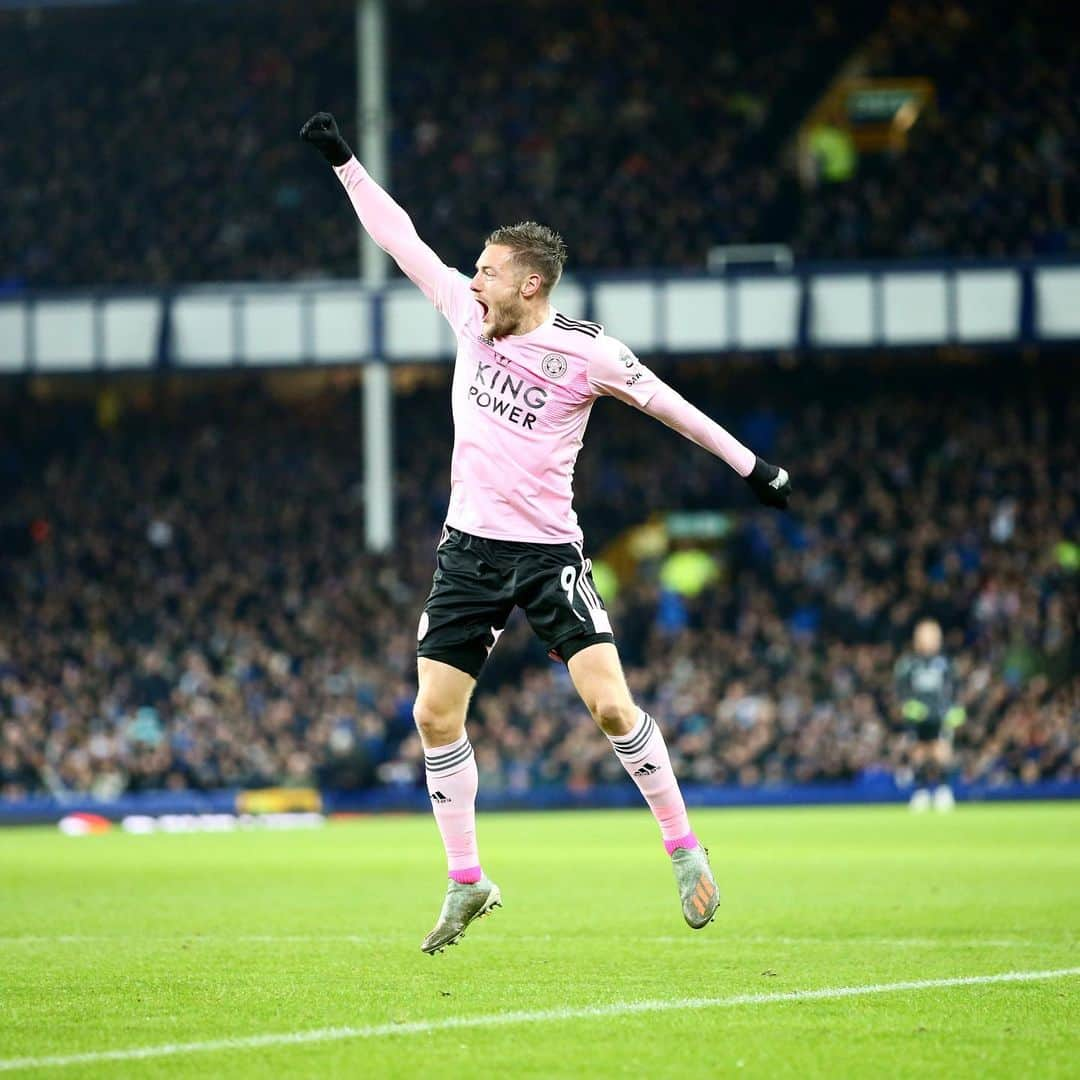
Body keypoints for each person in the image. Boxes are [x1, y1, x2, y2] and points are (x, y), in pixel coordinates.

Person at [301, 112, 793, 954]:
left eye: (488, 271)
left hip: (547, 553)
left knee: (609, 705)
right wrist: (345, 162)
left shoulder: (588, 354)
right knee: (432, 716)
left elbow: (673, 408)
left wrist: (753, 468)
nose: (473, 278)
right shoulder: (466, 313)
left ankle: (681, 848)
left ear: (530, 284)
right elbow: (402, 240)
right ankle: (467, 881)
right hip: (467, 549)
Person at [894, 618, 965, 812]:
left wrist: (956, 708)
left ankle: (943, 790)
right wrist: (906, 706)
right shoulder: (909, 663)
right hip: (917, 717)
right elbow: (900, 689)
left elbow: (956, 687)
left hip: (940, 715)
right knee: (918, 751)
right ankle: (921, 791)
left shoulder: (945, 663)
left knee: (941, 750)